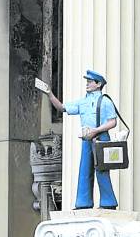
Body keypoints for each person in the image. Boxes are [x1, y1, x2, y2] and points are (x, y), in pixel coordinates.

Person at [36, 70, 118, 209]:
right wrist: (50, 93)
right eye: (87, 81)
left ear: (98, 84)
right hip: (86, 138)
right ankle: (83, 203)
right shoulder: (82, 102)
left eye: (90, 81)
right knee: (84, 169)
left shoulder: (105, 101)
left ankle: (108, 202)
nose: (87, 83)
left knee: (102, 170)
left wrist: (96, 130)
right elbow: (62, 108)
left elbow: (112, 122)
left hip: (101, 137)